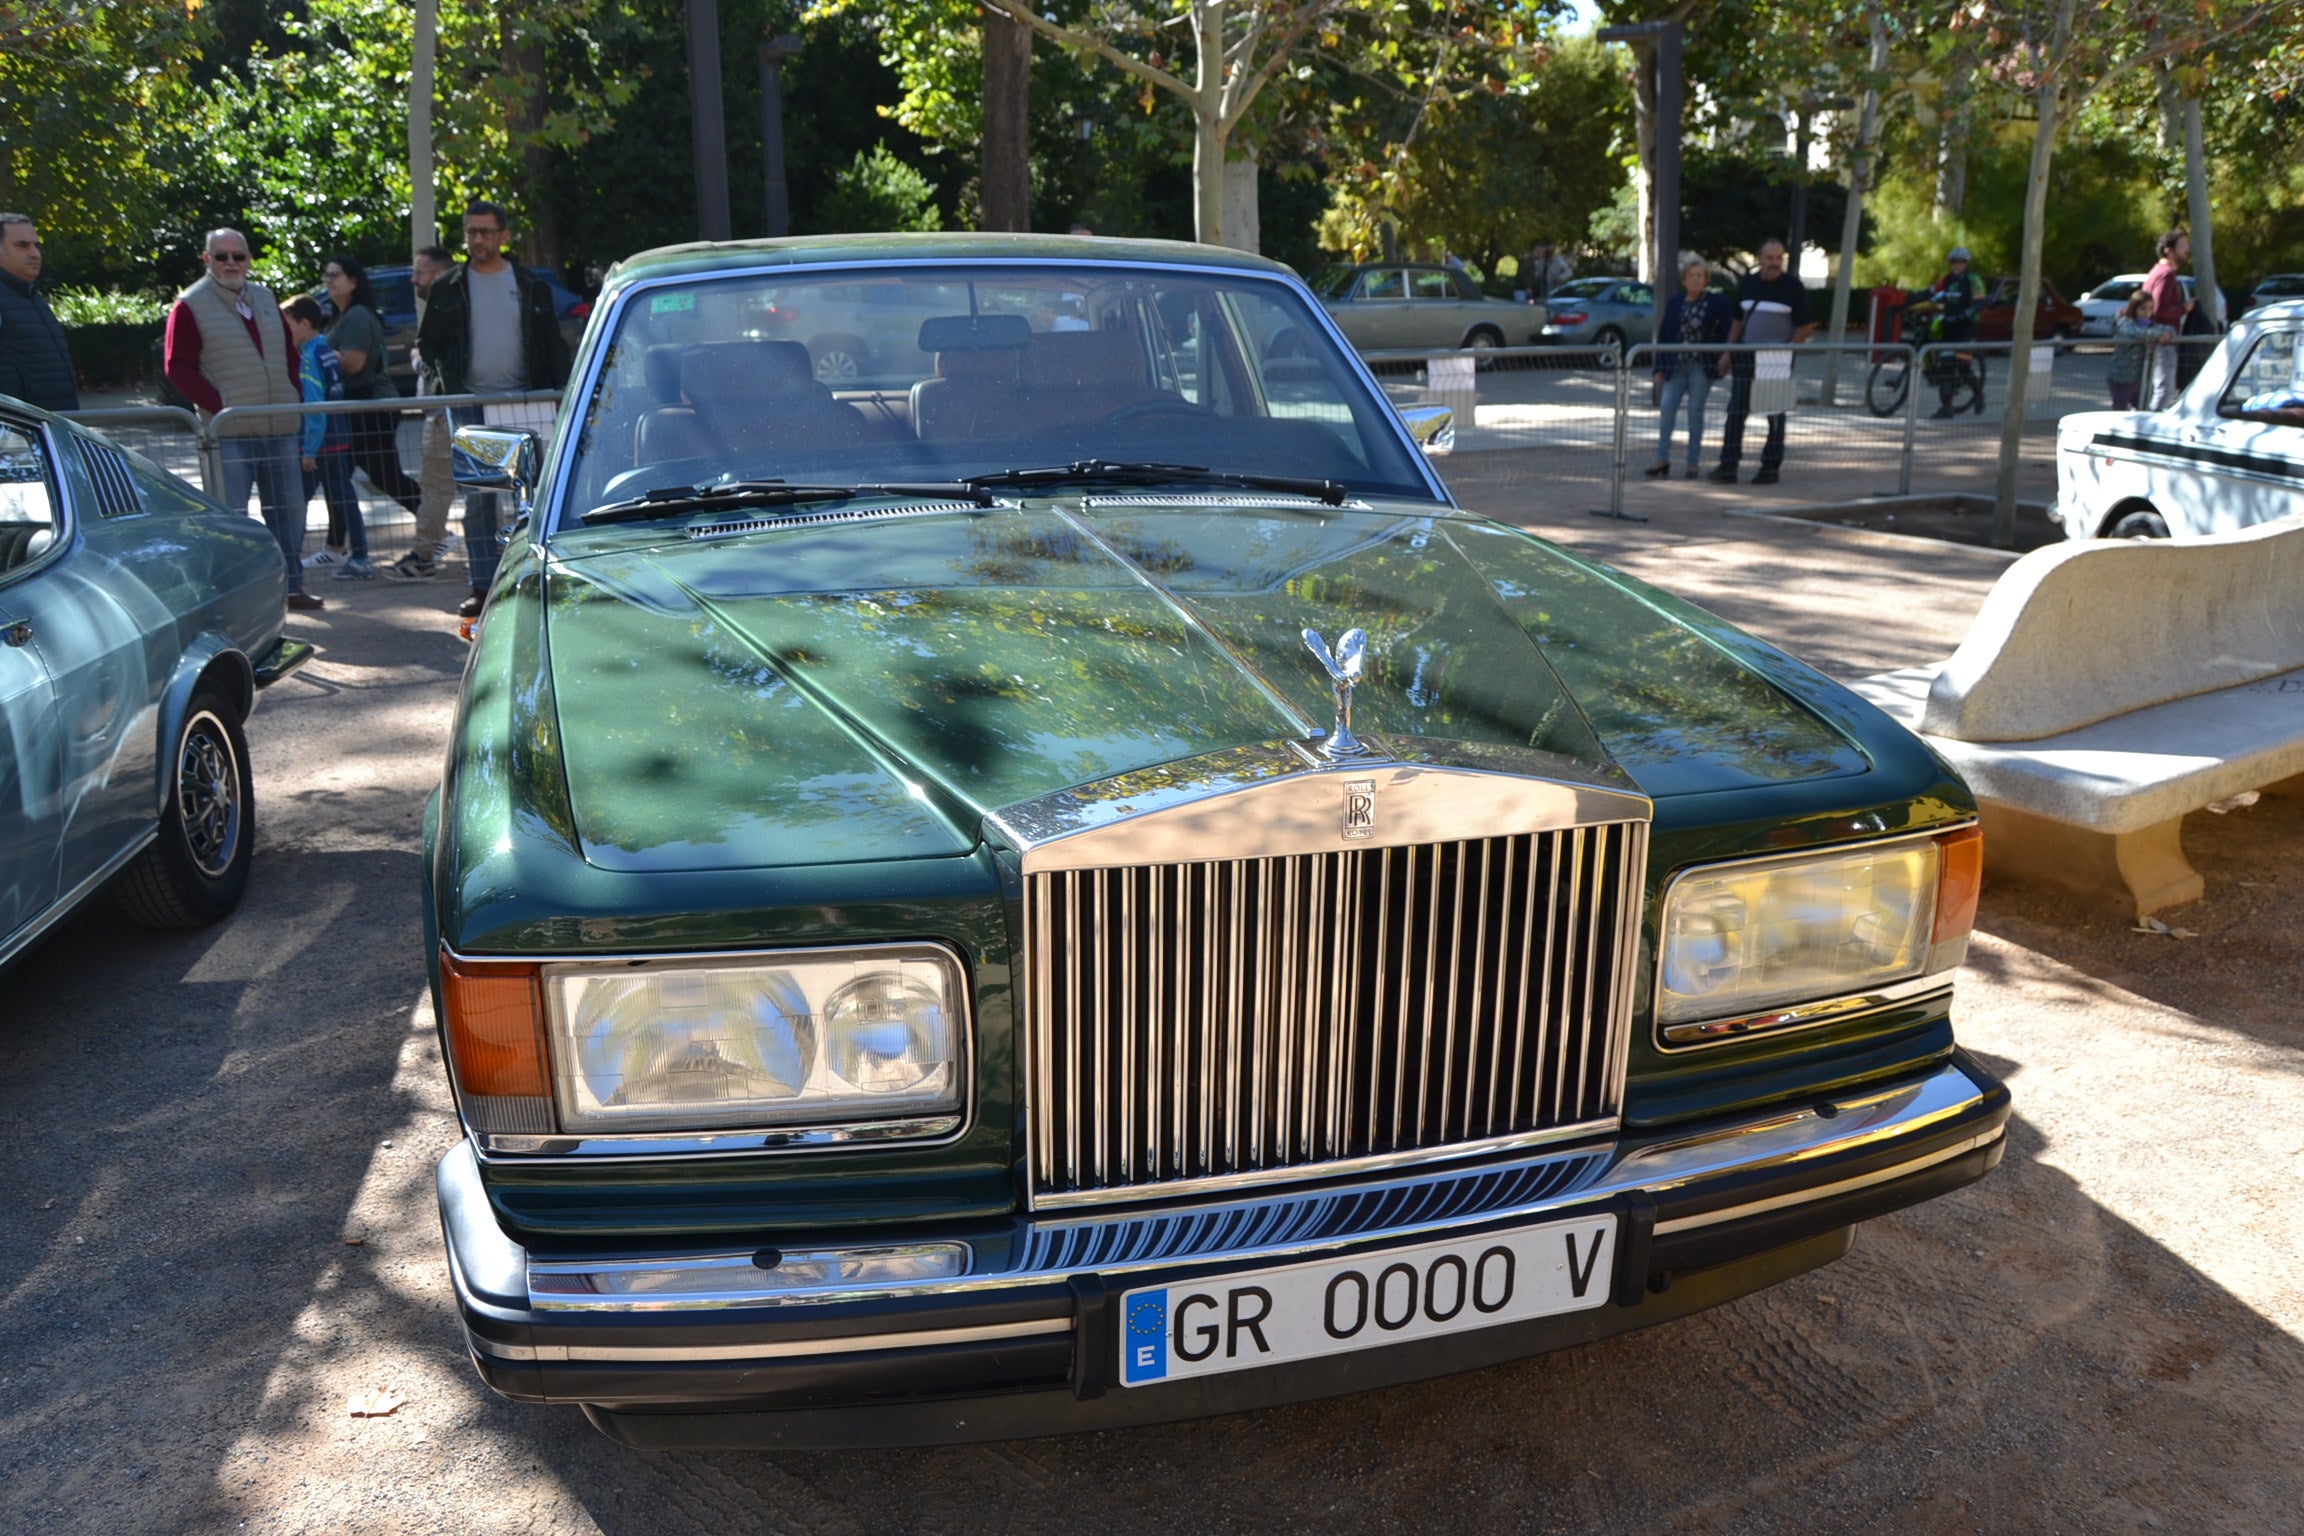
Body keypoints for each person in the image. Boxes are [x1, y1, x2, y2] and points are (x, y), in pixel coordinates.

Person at [413, 202, 571, 617]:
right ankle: (482, 586)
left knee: (539, 494)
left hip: (527, 401)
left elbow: (552, 342)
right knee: (480, 500)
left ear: (504, 236)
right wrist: (442, 382)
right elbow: (427, 343)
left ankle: (541, 576)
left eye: (485, 232)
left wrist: (564, 391)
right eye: (471, 232)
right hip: (472, 406)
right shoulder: (449, 285)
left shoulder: (530, 285)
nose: (477, 240)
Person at [164, 228, 320, 612]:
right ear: (206, 260)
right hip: (230, 432)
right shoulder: (189, 306)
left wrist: (291, 392)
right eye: (222, 256)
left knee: (290, 511)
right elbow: (177, 367)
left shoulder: (266, 299)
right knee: (231, 517)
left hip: (278, 426)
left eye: (239, 256)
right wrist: (220, 406)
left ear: (249, 259)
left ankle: (291, 586)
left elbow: (290, 353)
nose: (231, 263)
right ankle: (236, 595)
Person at [322, 255, 423, 543]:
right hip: (353, 408)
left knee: (385, 477)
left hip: (371, 408)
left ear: (353, 281)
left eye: (335, 275)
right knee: (337, 474)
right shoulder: (340, 316)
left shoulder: (358, 316)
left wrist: (317, 355)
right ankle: (335, 543)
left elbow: (353, 363)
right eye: (326, 275)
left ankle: (437, 529)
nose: (329, 281)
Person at [1709, 238, 1816, 486]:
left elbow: (1805, 325)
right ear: (1759, 259)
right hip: (1746, 354)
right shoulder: (1748, 284)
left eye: (1779, 258)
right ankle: (1728, 465)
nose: (1774, 263)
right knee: (1736, 410)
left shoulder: (1793, 287)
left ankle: (1770, 467)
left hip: (1776, 358)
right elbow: (1737, 320)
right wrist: (1728, 352)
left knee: (1774, 414)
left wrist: (1788, 351)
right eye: (1770, 258)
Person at [282, 295, 374, 579]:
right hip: (335, 438)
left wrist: (309, 449)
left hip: (319, 443)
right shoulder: (326, 351)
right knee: (340, 497)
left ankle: (291, 560)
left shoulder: (309, 358)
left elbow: (315, 408)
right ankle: (358, 556)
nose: (283, 332)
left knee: (299, 501)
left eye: (287, 325)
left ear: (304, 323)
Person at [387, 246, 459, 581]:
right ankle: (426, 552)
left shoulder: (450, 307)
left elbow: (437, 362)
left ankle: (425, 555)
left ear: (441, 274)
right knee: (443, 487)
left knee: (437, 488)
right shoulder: (444, 305)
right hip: (441, 413)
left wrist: (418, 357)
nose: (413, 279)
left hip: (446, 413)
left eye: (420, 273)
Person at [1646, 257, 1734, 479]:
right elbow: (1665, 334)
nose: (1695, 279)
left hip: (1700, 365)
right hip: (1676, 365)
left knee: (1695, 412)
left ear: (1706, 279)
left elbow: (1727, 330)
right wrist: (1659, 367)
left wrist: (1723, 356)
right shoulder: (1675, 302)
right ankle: (1661, 459)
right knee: (1667, 408)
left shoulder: (1716, 302)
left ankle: (1692, 462)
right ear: (1684, 279)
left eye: (1699, 275)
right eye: (1691, 275)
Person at [0, 213, 79, 412]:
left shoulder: (31, 296)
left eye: (36, 245)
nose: (35, 253)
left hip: (47, 428)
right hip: (17, 434)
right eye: (22, 245)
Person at [1924, 246, 1986, 418]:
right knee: (1946, 369)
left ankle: (1978, 394)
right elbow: (1932, 294)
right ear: (1950, 264)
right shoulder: (1947, 280)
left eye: (1962, 262)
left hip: (1967, 327)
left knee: (1963, 366)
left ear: (1967, 264)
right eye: (1954, 262)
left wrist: (1965, 314)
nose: (1958, 265)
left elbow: (1981, 302)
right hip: (1949, 326)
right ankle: (1946, 408)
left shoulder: (1972, 279)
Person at [2140, 229, 2191, 410]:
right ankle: (2152, 426)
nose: (2188, 249)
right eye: (2183, 246)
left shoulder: (2156, 271)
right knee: (2165, 389)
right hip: (2164, 338)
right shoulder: (2166, 273)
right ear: (2169, 250)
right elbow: (2159, 308)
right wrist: (2184, 308)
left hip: (2157, 337)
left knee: (2157, 387)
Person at [2106, 291, 2170, 411]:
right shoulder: (2125, 323)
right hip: (2121, 378)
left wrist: (2167, 334)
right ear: (2134, 308)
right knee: (2120, 413)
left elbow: (2169, 329)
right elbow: (2136, 333)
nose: (2147, 312)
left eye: (2150, 308)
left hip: (2141, 379)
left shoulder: (2151, 325)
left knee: (2143, 412)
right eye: (2143, 308)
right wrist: (2158, 334)